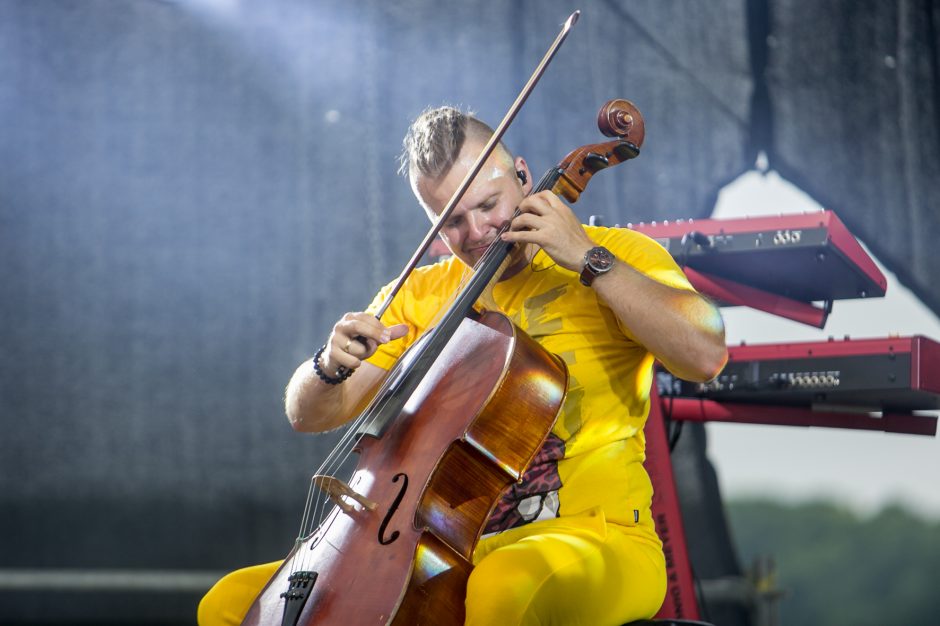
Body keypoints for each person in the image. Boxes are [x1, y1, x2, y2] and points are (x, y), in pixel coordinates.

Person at [198, 106, 728, 626]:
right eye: (451, 221)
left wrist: (587, 258)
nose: (477, 232)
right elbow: (308, 413)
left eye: (488, 204)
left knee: (504, 587)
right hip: (433, 551)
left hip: (595, 534)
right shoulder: (420, 294)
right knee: (230, 603)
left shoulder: (615, 253)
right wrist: (328, 366)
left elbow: (705, 354)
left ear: (523, 175)